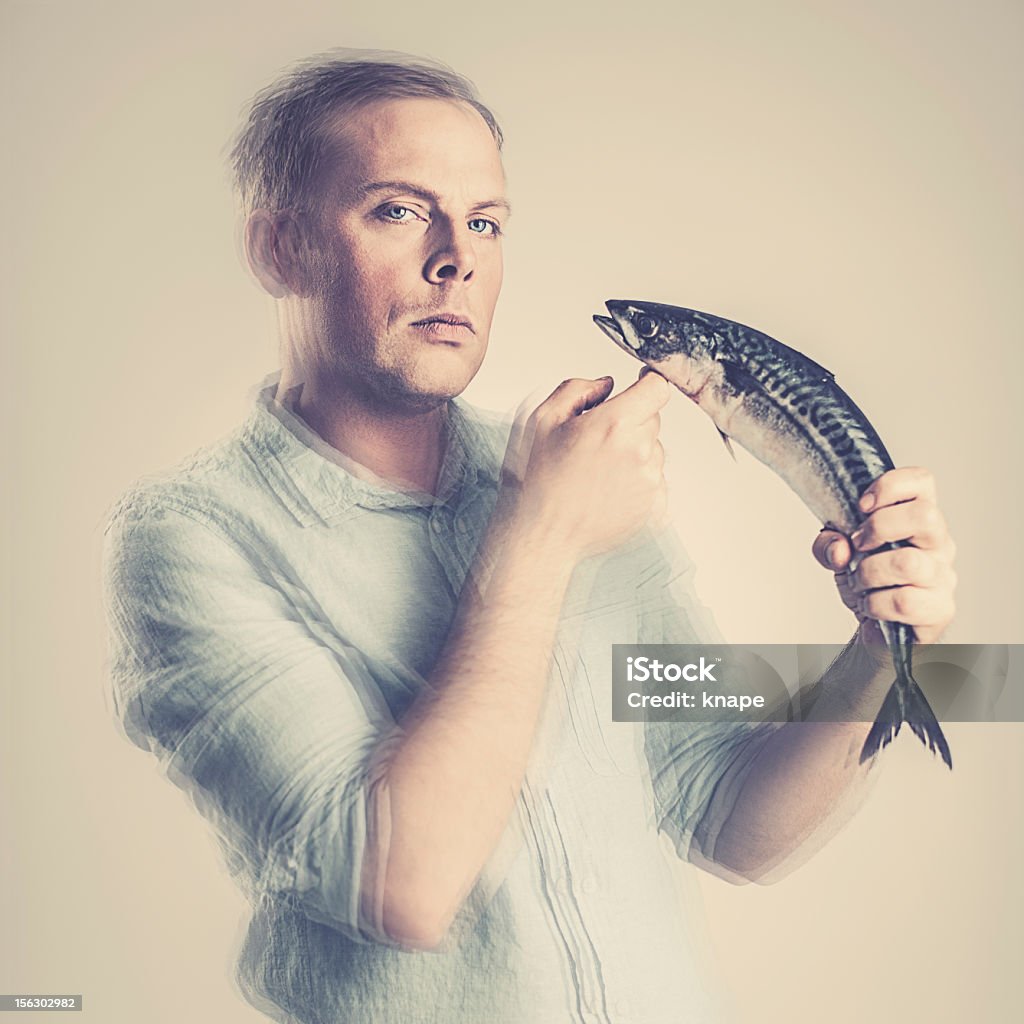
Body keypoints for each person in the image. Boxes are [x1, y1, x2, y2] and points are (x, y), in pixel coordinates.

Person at [101, 50, 958, 1023]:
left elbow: (730, 818)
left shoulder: (573, 485)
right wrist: (540, 538)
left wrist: (875, 653)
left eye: (484, 222)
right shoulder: (193, 540)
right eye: (395, 209)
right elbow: (402, 886)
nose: (455, 258)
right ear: (279, 249)